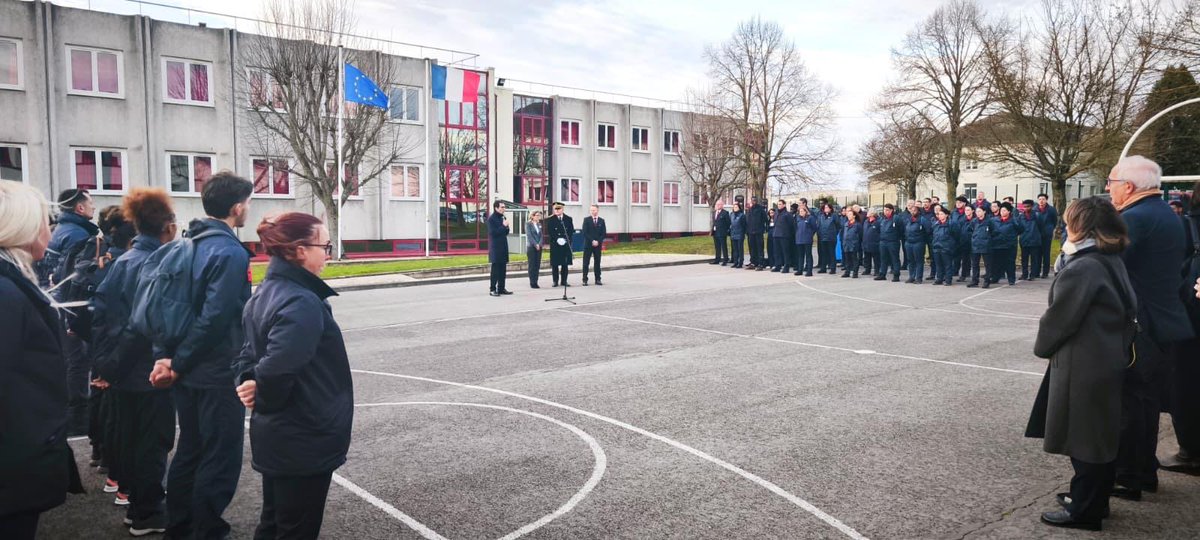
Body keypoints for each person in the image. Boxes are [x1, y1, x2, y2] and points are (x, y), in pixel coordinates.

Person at [229, 213, 349, 540]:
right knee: (295, 527)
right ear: (299, 251)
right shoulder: (300, 301)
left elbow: (248, 355)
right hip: (302, 434)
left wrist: (249, 380)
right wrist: (258, 386)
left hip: (282, 435)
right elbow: (279, 366)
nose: (328, 254)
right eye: (325, 246)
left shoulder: (267, 291)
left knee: (275, 522)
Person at [148, 172, 254, 540]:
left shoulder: (186, 243)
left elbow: (163, 307)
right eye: (248, 203)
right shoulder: (229, 251)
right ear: (237, 207)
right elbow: (216, 318)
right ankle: (206, 529)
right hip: (214, 371)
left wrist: (168, 358)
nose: (248, 209)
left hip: (187, 369)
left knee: (190, 449)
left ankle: (179, 525)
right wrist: (178, 363)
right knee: (220, 454)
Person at [1028, 196, 1136, 532]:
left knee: (1085, 440)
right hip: (1105, 356)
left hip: (1085, 363)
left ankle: (1086, 509)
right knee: (1098, 435)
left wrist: (1042, 347)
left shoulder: (1084, 266)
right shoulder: (1108, 257)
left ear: (1081, 227)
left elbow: (1059, 320)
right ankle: (1092, 499)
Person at [1106, 156, 1195, 498]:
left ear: (1128, 186)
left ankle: (1129, 475)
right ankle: (1143, 471)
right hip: (1164, 320)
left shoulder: (1134, 218)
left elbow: (1109, 267)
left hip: (1139, 324)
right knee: (1146, 402)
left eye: (1112, 182)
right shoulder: (1168, 215)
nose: (1108, 188)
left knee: (1130, 403)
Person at [90, 188, 178, 535]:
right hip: (145, 368)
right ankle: (147, 512)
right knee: (152, 443)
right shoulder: (155, 263)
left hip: (123, 368)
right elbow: (146, 324)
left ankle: (137, 506)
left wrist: (107, 364)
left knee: (132, 439)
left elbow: (101, 315)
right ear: (167, 225)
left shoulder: (124, 261)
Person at [0, 182, 84, 539]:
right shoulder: (5, 292)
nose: (51, 230)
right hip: (11, 468)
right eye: (45, 222)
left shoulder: (11, 283)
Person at [48, 188, 99, 436]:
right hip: (70, 307)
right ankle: (78, 415)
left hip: (57, 303)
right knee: (78, 361)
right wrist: (73, 318)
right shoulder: (78, 235)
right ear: (79, 207)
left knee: (71, 360)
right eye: (90, 203)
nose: (93, 206)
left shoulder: (60, 230)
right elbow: (74, 280)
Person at [989, 202, 1023, 286]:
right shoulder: (994, 220)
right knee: (996, 262)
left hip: (1009, 245)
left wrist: (1011, 235)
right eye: (1001, 210)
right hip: (997, 244)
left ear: (1009, 211)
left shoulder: (1013, 220)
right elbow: (990, 230)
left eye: (1004, 210)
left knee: (1010, 263)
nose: (1002, 212)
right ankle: (995, 278)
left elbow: (1021, 229)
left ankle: (1011, 279)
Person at [486, 201, 511, 297]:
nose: (504, 209)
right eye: (502, 207)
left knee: (503, 269)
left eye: (504, 207)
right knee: (495, 269)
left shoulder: (502, 217)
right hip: (496, 247)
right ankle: (492, 289)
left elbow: (505, 232)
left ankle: (501, 288)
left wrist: (506, 227)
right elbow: (493, 233)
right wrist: (503, 226)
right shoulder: (491, 219)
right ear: (496, 208)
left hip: (503, 246)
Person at [930, 206, 959, 286]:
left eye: (942, 214)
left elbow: (956, 235)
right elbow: (933, 234)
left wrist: (951, 244)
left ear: (946, 215)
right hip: (937, 247)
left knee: (948, 265)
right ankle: (939, 278)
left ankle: (948, 280)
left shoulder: (951, 224)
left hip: (946, 247)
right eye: (939, 214)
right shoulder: (936, 224)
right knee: (938, 264)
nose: (940, 216)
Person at [547, 202, 574, 287]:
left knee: (564, 264)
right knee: (555, 264)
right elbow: (550, 231)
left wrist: (566, 239)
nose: (557, 210)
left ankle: (564, 281)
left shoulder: (568, 219)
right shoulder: (551, 219)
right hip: (555, 244)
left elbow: (571, 231)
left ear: (562, 209)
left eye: (558, 209)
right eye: (555, 209)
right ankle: (555, 281)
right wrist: (557, 239)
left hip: (565, 244)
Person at [903, 202, 931, 284]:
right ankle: (911, 277)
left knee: (919, 261)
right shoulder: (908, 220)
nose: (912, 212)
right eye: (911, 210)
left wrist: (922, 239)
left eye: (914, 210)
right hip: (909, 243)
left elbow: (928, 230)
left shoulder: (922, 220)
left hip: (918, 243)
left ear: (918, 211)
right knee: (910, 261)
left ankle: (918, 278)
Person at [875, 204, 903, 282]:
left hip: (893, 242)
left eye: (887, 210)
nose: (885, 211)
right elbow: (878, 230)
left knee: (895, 259)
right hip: (883, 242)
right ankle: (882, 274)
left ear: (891, 210)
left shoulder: (896, 218)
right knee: (883, 259)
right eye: (884, 210)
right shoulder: (882, 219)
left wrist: (896, 237)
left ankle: (896, 275)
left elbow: (901, 230)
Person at [966, 206, 993, 288]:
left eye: (980, 211)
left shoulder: (989, 221)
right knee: (975, 264)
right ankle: (975, 280)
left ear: (984, 212)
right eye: (977, 212)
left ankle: (987, 281)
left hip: (986, 245)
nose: (978, 213)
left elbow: (994, 231)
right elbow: (969, 230)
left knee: (987, 264)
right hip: (975, 245)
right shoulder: (974, 221)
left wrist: (988, 239)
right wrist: (974, 238)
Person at [1018, 200, 1043, 281]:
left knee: (1034, 259)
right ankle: (1024, 274)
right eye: (1024, 207)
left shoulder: (1037, 215)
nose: (1026, 208)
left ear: (1032, 206)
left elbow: (1041, 227)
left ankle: (1033, 274)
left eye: (1028, 206)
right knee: (1024, 259)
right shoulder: (1020, 216)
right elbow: (1018, 227)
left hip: (1034, 240)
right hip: (1024, 240)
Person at [581, 204, 606, 286]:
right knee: (586, 263)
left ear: (597, 210)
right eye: (591, 210)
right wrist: (592, 241)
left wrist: (598, 241)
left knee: (597, 262)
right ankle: (585, 280)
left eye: (594, 210)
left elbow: (603, 233)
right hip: (588, 244)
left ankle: (598, 279)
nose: (592, 211)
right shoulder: (586, 220)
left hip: (597, 245)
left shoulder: (601, 221)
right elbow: (584, 232)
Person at [1036, 193, 1059, 278]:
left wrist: (1050, 229)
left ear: (1046, 200)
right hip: (1037, 234)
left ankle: (1045, 272)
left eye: (1043, 199)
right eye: (1040, 199)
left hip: (1047, 234)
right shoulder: (1035, 209)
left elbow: (1055, 221)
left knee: (1046, 254)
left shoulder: (1051, 209)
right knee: (1037, 254)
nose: (1041, 201)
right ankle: (1036, 272)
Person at [815, 203, 840, 274]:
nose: (826, 209)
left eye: (827, 207)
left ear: (830, 208)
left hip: (831, 238)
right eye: (825, 208)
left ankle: (832, 268)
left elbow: (838, 225)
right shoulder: (821, 216)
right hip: (823, 237)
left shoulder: (834, 216)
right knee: (823, 253)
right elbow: (818, 226)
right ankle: (823, 268)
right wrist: (820, 233)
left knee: (831, 253)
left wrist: (834, 233)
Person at [771, 200, 794, 273]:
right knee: (777, 251)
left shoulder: (787, 214)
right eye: (778, 204)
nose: (779, 206)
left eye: (780, 204)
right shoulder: (776, 213)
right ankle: (778, 265)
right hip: (776, 234)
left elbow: (791, 225)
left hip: (784, 235)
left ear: (784, 205)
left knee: (785, 252)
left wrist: (788, 234)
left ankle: (786, 266)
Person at [793, 204, 816, 276]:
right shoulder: (798, 218)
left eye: (802, 211)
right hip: (799, 239)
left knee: (808, 255)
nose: (801, 212)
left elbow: (814, 228)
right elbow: (795, 227)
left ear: (806, 211)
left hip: (807, 239)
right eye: (800, 211)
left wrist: (810, 234)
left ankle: (809, 270)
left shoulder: (810, 218)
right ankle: (800, 269)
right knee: (800, 255)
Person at [745, 196, 767, 270]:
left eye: (754, 200)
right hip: (750, 232)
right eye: (752, 200)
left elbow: (765, 219)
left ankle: (761, 263)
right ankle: (753, 262)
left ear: (757, 201)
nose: (753, 201)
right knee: (752, 248)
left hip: (758, 232)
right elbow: (748, 220)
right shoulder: (750, 210)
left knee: (759, 248)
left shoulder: (761, 209)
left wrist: (763, 229)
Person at [841, 209, 863, 278]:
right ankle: (847, 272)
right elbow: (843, 233)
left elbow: (861, 235)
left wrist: (857, 242)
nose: (848, 216)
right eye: (848, 214)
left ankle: (855, 272)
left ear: (854, 216)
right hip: (846, 244)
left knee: (854, 259)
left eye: (850, 214)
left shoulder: (858, 225)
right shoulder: (846, 224)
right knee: (847, 259)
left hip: (854, 244)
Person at [526, 210, 544, 288]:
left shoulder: (539, 224)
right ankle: (532, 282)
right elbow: (529, 235)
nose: (538, 217)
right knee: (532, 265)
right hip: (531, 246)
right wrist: (535, 244)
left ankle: (536, 281)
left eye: (539, 215)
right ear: (532, 216)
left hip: (539, 247)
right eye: (537, 215)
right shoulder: (528, 224)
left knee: (537, 265)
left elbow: (541, 235)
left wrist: (539, 244)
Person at [711, 200, 730, 265]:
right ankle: (717, 259)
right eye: (717, 204)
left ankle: (725, 259)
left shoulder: (725, 213)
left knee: (723, 246)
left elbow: (728, 223)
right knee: (717, 246)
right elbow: (714, 221)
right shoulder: (714, 212)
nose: (718, 205)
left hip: (722, 232)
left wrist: (725, 230)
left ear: (722, 205)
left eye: (719, 204)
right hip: (715, 232)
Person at [862, 209, 880, 277]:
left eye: (869, 212)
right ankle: (867, 270)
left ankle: (877, 271)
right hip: (866, 242)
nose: (867, 213)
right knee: (867, 257)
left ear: (872, 214)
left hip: (875, 243)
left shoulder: (878, 222)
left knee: (876, 258)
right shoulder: (866, 221)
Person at [729, 202, 746, 269]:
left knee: (740, 249)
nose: (735, 208)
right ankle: (735, 262)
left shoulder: (742, 215)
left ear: (739, 208)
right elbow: (730, 223)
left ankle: (740, 262)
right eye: (734, 207)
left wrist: (743, 233)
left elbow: (744, 225)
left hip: (740, 234)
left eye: (736, 207)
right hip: (733, 234)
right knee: (735, 249)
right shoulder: (731, 215)